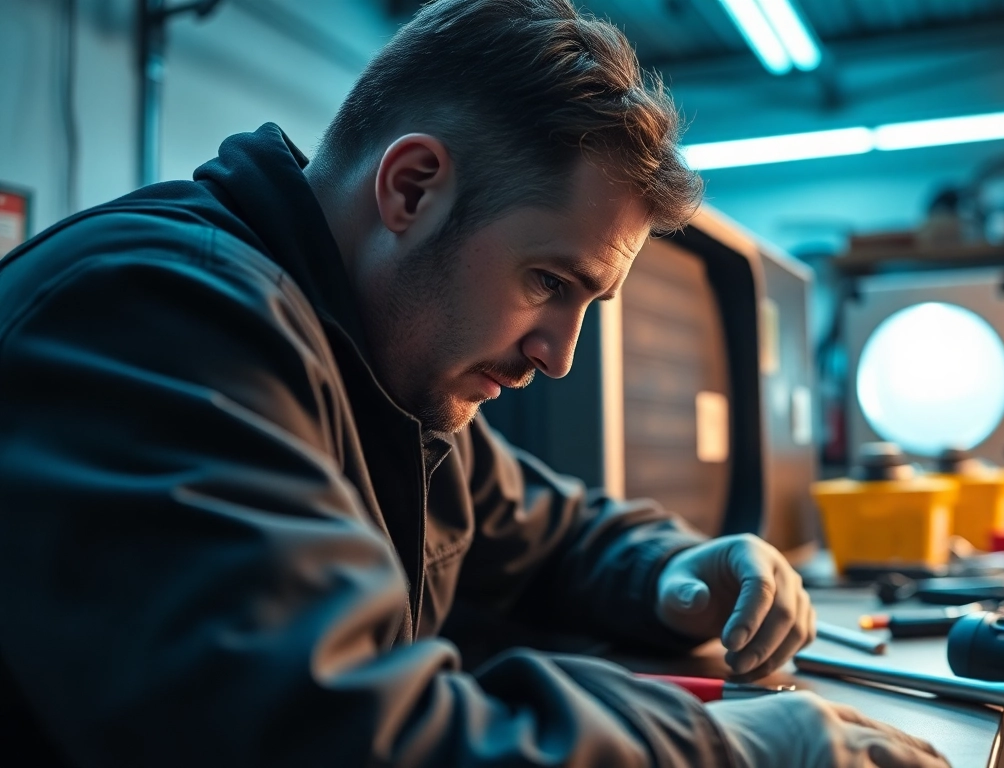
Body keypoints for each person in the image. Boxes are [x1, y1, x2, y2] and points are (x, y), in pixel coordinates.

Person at [0, 1, 949, 766]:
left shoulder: (388, 376)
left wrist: (670, 574)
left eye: (590, 303)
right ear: (412, 188)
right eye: (548, 282)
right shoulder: (161, 318)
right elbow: (330, 732)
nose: (560, 354)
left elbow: (549, 532)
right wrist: (734, 747)